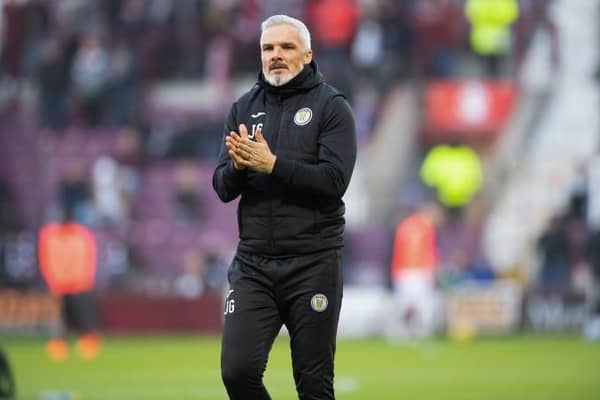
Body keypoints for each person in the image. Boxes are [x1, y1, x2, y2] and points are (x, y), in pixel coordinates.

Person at [212, 14, 357, 400]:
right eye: (268, 48)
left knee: (313, 384)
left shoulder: (332, 108)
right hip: (254, 265)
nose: (275, 55)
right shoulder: (242, 108)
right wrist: (240, 168)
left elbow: (334, 182)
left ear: (307, 54)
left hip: (314, 263)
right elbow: (222, 186)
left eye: (286, 47)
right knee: (237, 372)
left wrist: (272, 165)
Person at [38, 209, 102, 361]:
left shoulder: (80, 234)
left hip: (78, 282)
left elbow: (88, 257)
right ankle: (60, 344)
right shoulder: (50, 235)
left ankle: (87, 342)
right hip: (60, 283)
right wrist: (51, 279)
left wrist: (86, 277)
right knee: (61, 316)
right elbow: (46, 258)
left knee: (81, 314)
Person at [388, 201, 444, 340]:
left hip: (402, 271)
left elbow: (397, 250)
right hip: (420, 270)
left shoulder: (404, 225)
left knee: (404, 303)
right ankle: (420, 331)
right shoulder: (427, 227)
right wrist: (435, 269)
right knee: (423, 303)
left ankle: (398, 331)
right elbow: (430, 251)